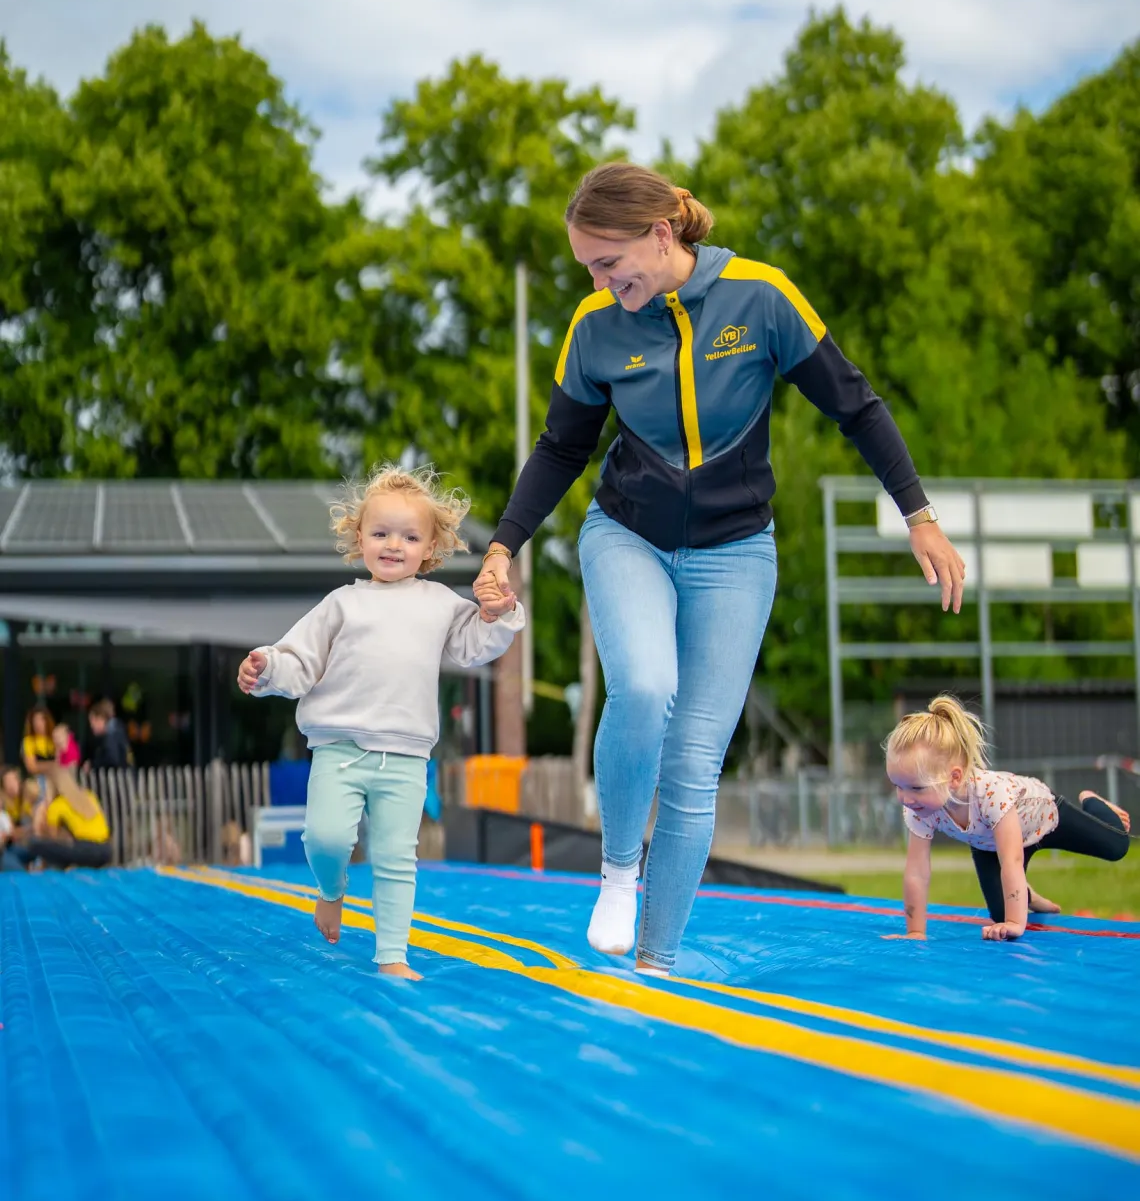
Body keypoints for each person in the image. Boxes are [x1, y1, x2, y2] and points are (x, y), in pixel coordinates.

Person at [474, 162, 965, 977]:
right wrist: (502, 546)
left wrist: (920, 516)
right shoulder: (596, 325)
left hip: (737, 552)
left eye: (607, 262)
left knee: (696, 757)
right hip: (627, 532)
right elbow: (562, 447)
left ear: (661, 234)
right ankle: (618, 872)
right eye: (586, 268)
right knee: (643, 686)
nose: (598, 282)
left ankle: (658, 965)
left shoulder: (762, 297)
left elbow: (856, 404)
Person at [237, 464, 525, 981]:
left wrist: (497, 613)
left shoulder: (439, 604)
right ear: (359, 538)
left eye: (410, 536)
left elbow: (474, 643)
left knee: (396, 858)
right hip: (339, 749)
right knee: (323, 839)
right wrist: (266, 668)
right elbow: (299, 661)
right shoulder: (342, 604)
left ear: (430, 546)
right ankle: (332, 890)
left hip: (407, 756)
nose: (394, 545)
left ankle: (392, 954)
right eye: (381, 533)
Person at [885, 695, 1131, 941]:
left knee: (1116, 845)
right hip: (990, 842)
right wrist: (915, 932)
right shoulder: (919, 808)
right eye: (898, 786)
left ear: (955, 778)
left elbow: (1011, 859)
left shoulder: (990, 794)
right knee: (1000, 912)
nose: (905, 798)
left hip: (1044, 818)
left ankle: (1092, 801)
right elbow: (917, 871)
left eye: (916, 788)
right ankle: (1029, 896)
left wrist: (1015, 923)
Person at [22, 761, 112, 870]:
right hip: (106, 849)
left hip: (87, 849)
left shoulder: (57, 805)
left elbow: (52, 837)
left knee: (36, 845)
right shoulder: (89, 795)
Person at [87, 699, 132, 769]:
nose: (91, 725)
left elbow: (112, 759)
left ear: (101, 718)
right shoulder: (117, 729)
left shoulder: (112, 733)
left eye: (93, 720)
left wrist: (93, 764)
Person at [22, 705, 56, 777]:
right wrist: (52, 765)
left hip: (55, 775)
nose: (38, 723)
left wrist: (40, 765)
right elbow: (32, 767)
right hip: (38, 778)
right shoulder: (28, 741)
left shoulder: (54, 738)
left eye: (41, 720)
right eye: (35, 720)